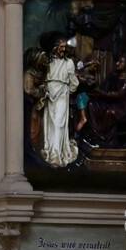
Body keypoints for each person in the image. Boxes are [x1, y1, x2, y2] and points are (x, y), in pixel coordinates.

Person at [40, 38, 80, 167]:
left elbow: (73, 82)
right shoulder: (48, 62)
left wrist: (68, 91)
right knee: (50, 124)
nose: (63, 49)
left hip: (62, 93)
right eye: (61, 47)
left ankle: (56, 155)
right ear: (54, 47)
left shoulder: (69, 63)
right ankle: (51, 151)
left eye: (64, 47)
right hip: (49, 94)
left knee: (59, 123)